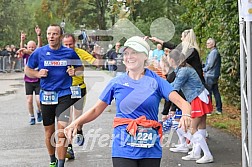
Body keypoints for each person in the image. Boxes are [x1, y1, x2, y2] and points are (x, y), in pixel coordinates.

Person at [64, 36, 192, 167]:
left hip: (149, 148)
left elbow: (183, 103)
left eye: (134, 53)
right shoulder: (116, 83)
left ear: (144, 56)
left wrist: (186, 115)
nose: (129, 57)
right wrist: (75, 123)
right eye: (126, 53)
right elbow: (96, 109)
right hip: (123, 147)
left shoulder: (157, 81)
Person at [24, 24, 84, 167]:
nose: (51, 36)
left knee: (62, 131)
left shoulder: (69, 53)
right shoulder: (40, 52)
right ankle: (52, 160)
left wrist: (74, 72)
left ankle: (61, 163)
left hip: (64, 94)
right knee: (49, 132)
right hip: (47, 95)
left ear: (60, 36)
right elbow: (28, 70)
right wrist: (38, 74)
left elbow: (80, 68)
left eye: (54, 34)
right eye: (49, 34)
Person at [167, 49, 213, 164]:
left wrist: (160, 87)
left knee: (191, 129)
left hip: (197, 98)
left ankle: (207, 155)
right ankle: (197, 153)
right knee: (201, 127)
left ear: (172, 60)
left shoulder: (183, 71)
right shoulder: (184, 68)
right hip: (201, 97)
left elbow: (175, 87)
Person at [62, 33, 100, 159]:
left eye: (70, 44)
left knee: (77, 120)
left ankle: (79, 130)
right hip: (64, 91)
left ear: (75, 43)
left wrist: (98, 55)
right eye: (65, 44)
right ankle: (69, 148)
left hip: (78, 89)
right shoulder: (58, 53)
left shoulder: (79, 52)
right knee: (66, 121)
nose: (68, 47)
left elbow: (95, 62)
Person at [17, 26, 43, 125]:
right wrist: (22, 40)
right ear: (27, 47)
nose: (31, 48)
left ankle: (39, 112)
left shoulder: (37, 53)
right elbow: (21, 49)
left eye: (33, 47)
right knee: (29, 100)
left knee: (39, 100)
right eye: (29, 47)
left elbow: (39, 47)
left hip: (37, 80)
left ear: (35, 47)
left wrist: (39, 35)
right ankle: (32, 116)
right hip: (28, 80)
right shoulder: (26, 54)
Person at [203, 38, 222, 115]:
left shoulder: (213, 53)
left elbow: (210, 65)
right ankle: (219, 109)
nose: (207, 44)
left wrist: (203, 70)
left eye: (208, 43)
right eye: (207, 43)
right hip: (213, 74)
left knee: (209, 92)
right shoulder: (213, 52)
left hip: (210, 75)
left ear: (213, 44)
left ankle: (209, 110)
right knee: (216, 92)